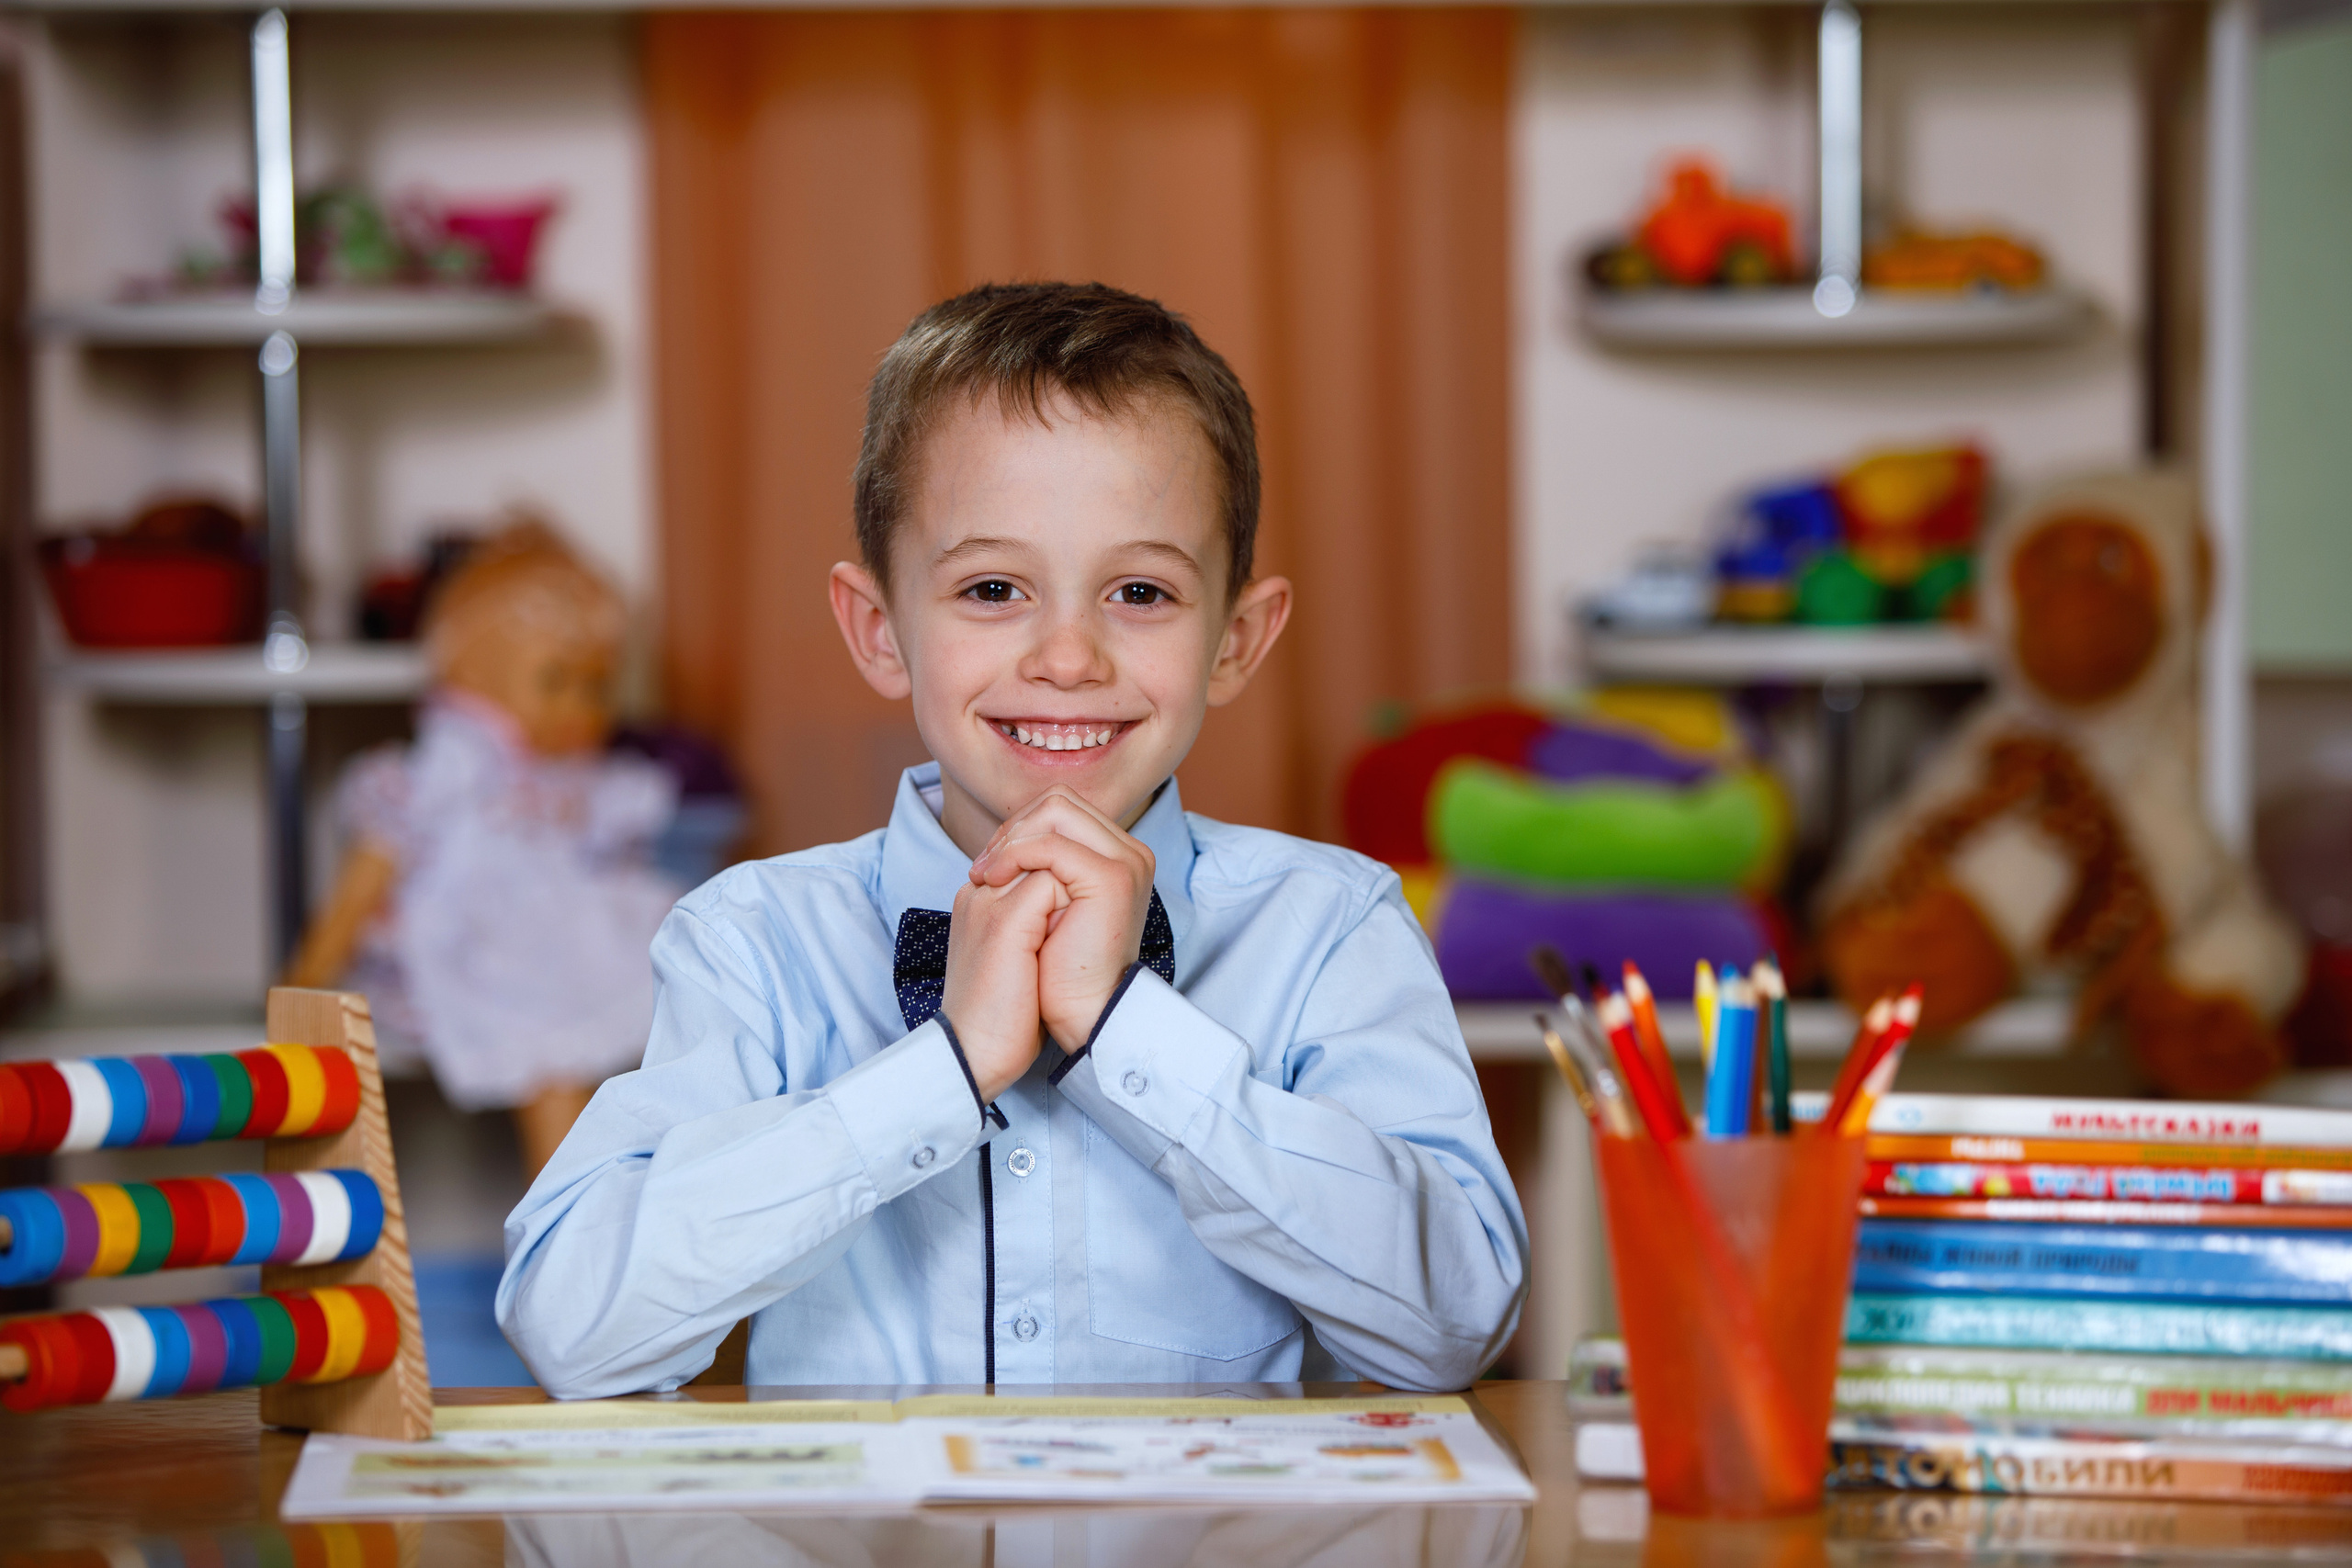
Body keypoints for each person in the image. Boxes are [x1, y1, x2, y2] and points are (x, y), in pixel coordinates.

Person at [498, 282, 1528, 1394]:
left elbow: (1455, 1325)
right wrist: (943, 1070)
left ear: (1236, 640)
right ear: (880, 630)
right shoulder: (753, 940)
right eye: (993, 588)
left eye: (1140, 591)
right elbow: (570, 1327)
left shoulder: (1330, 928)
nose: (1068, 658)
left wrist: (1128, 1034)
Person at [285, 522, 683, 1179]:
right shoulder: (455, 763)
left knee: (672, 1009)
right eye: (555, 681)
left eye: (597, 685)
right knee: (553, 1065)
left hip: (561, 941)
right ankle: (570, 1230)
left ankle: (624, 1213)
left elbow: (615, 851)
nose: (579, 707)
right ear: (475, 676)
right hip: (479, 944)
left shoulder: (572, 777)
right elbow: (368, 873)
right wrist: (305, 980)